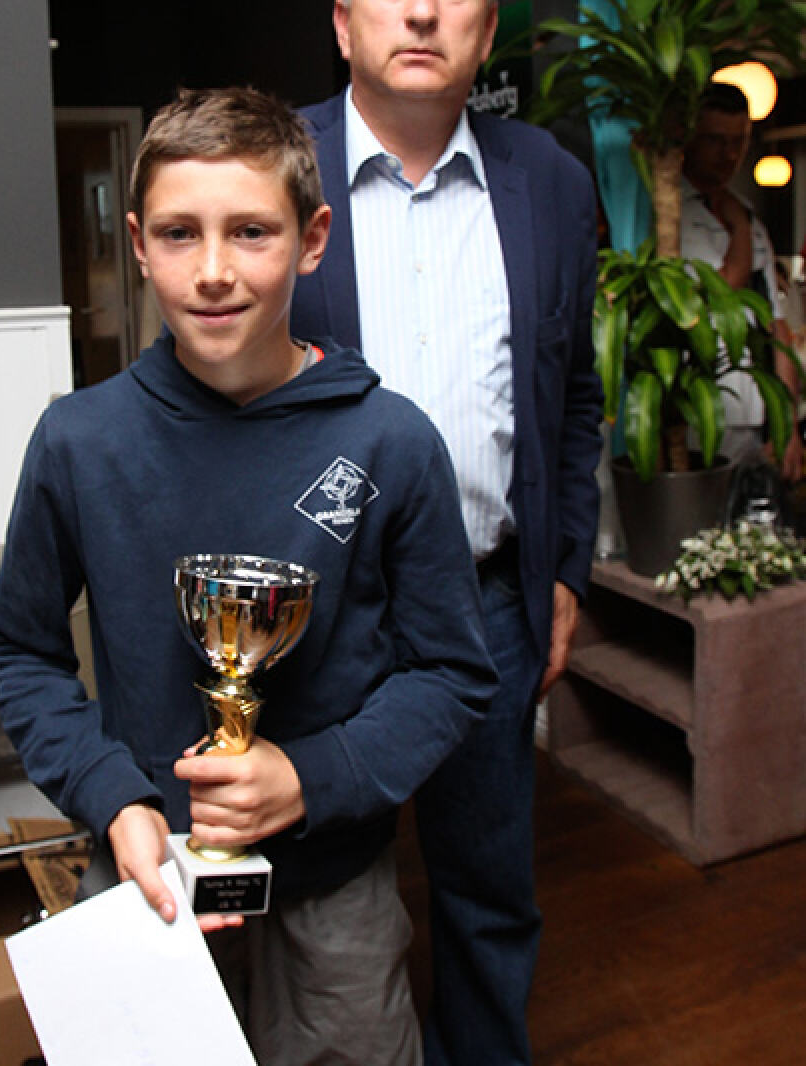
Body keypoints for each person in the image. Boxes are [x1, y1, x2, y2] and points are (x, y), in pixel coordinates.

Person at [0, 86, 498, 1066]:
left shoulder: (391, 441)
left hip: (334, 886)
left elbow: (451, 672)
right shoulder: (78, 442)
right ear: (139, 243)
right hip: (146, 871)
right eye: (180, 233)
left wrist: (310, 776)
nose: (213, 270)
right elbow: (21, 648)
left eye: (251, 231)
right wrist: (113, 797)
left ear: (312, 239)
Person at [290, 2, 604, 1063]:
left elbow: (574, 395)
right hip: (316, 616)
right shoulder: (271, 165)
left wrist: (565, 569)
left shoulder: (551, 181)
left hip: (488, 606)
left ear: (489, 26)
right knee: (321, 900)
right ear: (343, 25)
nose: (422, 10)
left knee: (487, 888)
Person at [681, 81, 802, 480]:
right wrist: (739, 228)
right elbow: (723, 290)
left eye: (739, 141)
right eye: (716, 141)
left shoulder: (747, 215)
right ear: (691, 136)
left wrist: (787, 426)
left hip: (754, 413)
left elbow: (776, 327)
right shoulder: (670, 214)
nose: (729, 155)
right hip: (697, 414)